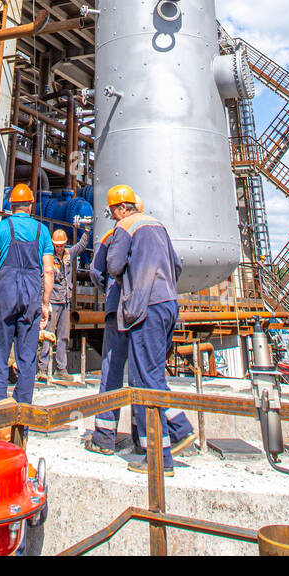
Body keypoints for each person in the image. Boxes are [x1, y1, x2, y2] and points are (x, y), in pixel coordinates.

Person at [105, 186, 196, 475]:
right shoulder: (158, 225)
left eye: (111, 212)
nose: (111, 217)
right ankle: (173, 437)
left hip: (145, 307)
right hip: (169, 304)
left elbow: (113, 265)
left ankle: (159, 452)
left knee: (143, 381)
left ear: (120, 208)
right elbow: (177, 265)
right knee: (153, 375)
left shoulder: (125, 227)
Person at [0, 184, 54, 408]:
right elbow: (48, 270)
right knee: (28, 355)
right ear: (31, 205)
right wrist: (46, 304)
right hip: (31, 292)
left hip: (5, 290)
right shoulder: (42, 231)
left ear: (10, 205)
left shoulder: (2, 228)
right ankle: (23, 409)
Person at [85, 194, 143, 456]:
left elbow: (96, 272)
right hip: (144, 310)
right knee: (145, 373)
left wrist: (110, 288)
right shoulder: (151, 233)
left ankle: (104, 437)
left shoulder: (112, 235)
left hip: (117, 308)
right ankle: (144, 437)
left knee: (112, 372)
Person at [38, 224, 91, 382]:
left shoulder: (68, 254)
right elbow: (43, 278)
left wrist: (87, 231)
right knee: (48, 335)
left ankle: (61, 369)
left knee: (63, 336)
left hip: (65, 302)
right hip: (52, 302)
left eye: (62, 245)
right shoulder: (48, 258)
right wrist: (44, 301)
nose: (60, 248)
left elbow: (81, 246)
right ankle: (42, 369)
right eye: (57, 246)